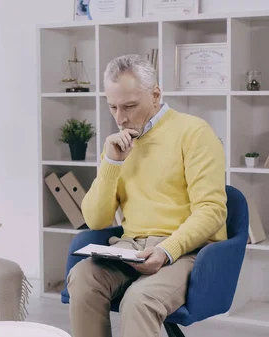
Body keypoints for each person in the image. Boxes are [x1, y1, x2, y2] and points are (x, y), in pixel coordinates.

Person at [67, 54, 227, 337]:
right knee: (81, 278)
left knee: (139, 300)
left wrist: (167, 250)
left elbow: (212, 210)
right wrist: (111, 164)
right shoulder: (117, 145)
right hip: (131, 248)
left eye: (129, 106)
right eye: (113, 107)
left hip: (185, 252)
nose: (120, 117)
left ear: (155, 95)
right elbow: (95, 220)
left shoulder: (194, 132)